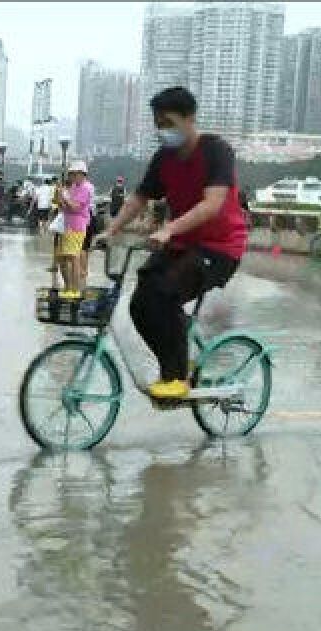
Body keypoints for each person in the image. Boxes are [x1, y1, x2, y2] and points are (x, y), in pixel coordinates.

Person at [96, 86, 247, 401]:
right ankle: (177, 361)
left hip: (219, 249)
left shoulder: (215, 151)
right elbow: (138, 197)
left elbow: (213, 204)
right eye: (158, 123)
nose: (163, 130)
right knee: (140, 303)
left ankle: (177, 377)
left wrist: (170, 228)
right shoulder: (164, 158)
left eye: (169, 122)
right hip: (182, 246)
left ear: (190, 118)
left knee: (164, 294)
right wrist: (112, 230)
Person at [56, 161, 94, 298]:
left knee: (73, 257)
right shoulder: (73, 187)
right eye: (70, 174)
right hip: (67, 225)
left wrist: (65, 197)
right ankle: (67, 287)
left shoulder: (86, 188)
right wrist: (60, 195)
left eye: (74, 174)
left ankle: (75, 289)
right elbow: (63, 207)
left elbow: (76, 207)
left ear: (82, 175)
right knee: (62, 258)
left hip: (77, 226)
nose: (71, 177)